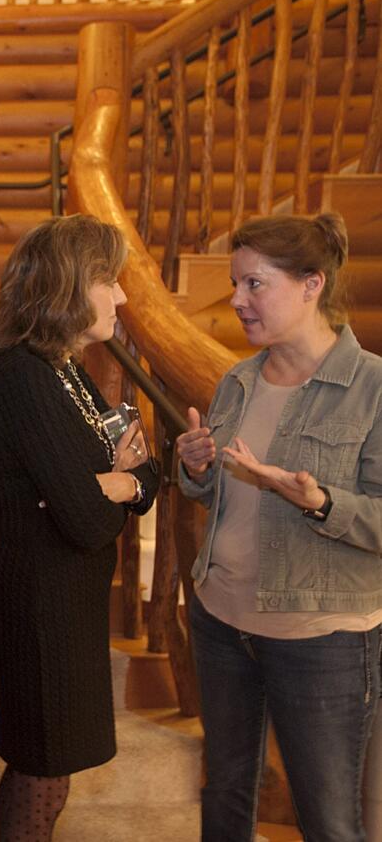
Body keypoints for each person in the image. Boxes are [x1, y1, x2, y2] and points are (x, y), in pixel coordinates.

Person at [175, 212, 382, 842]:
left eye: (254, 284)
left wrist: (320, 503)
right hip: (221, 622)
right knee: (224, 795)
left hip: (322, 639)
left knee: (328, 818)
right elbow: (222, 500)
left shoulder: (372, 387)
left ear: (312, 284)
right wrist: (196, 470)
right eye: (235, 284)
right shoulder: (237, 380)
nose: (237, 300)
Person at [0, 214, 158, 842]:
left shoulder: (66, 370)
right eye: (110, 280)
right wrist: (105, 486)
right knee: (40, 773)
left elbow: (145, 476)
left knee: (52, 773)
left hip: (65, 603)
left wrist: (118, 483)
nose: (123, 296)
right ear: (68, 285)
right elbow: (83, 521)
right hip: (37, 607)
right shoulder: (21, 376)